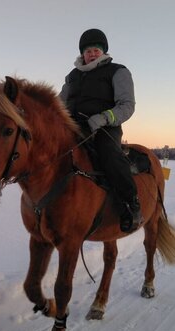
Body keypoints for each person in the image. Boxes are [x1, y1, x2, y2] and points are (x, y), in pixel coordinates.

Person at [59, 28, 142, 233]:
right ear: (82, 54)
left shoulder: (118, 71)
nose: (92, 53)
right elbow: (59, 104)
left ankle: (130, 205)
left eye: (96, 49)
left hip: (104, 128)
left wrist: (103, 118)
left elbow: (126, 105)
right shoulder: (72, 76)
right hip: (73, 128)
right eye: (88, 50)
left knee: (109, 156)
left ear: (103, 51)